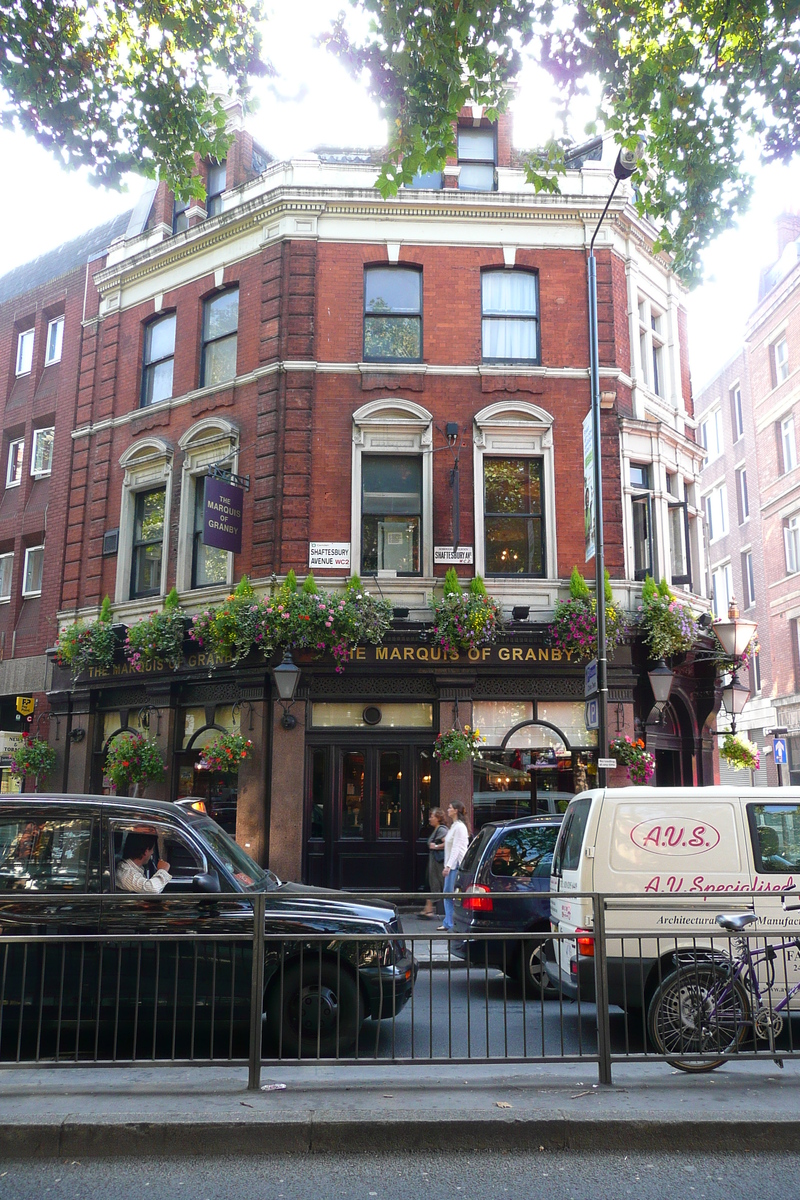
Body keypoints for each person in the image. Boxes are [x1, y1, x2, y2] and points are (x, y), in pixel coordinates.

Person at [439, 800, 470, 931]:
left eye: (450, 808)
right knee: (448, 894)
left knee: (449, 894)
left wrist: (448, 866)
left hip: (455, 866)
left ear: (456, 811)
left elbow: (456, 848)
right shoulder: (455, 826)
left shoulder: (459, 827)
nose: (448, 810)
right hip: (452, 865)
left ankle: (450, 923)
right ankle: (448, 921)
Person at [421, 808, 448, 918]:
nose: (430, 819)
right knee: (430, 883)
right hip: (433, 862)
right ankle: (428, 909)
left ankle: (429, 910)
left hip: (437, 863)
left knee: (435, 883)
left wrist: (436, 846)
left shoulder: (442, 830)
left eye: (432, 816)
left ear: (438, 818)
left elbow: (447, 843)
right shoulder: (437, 829)